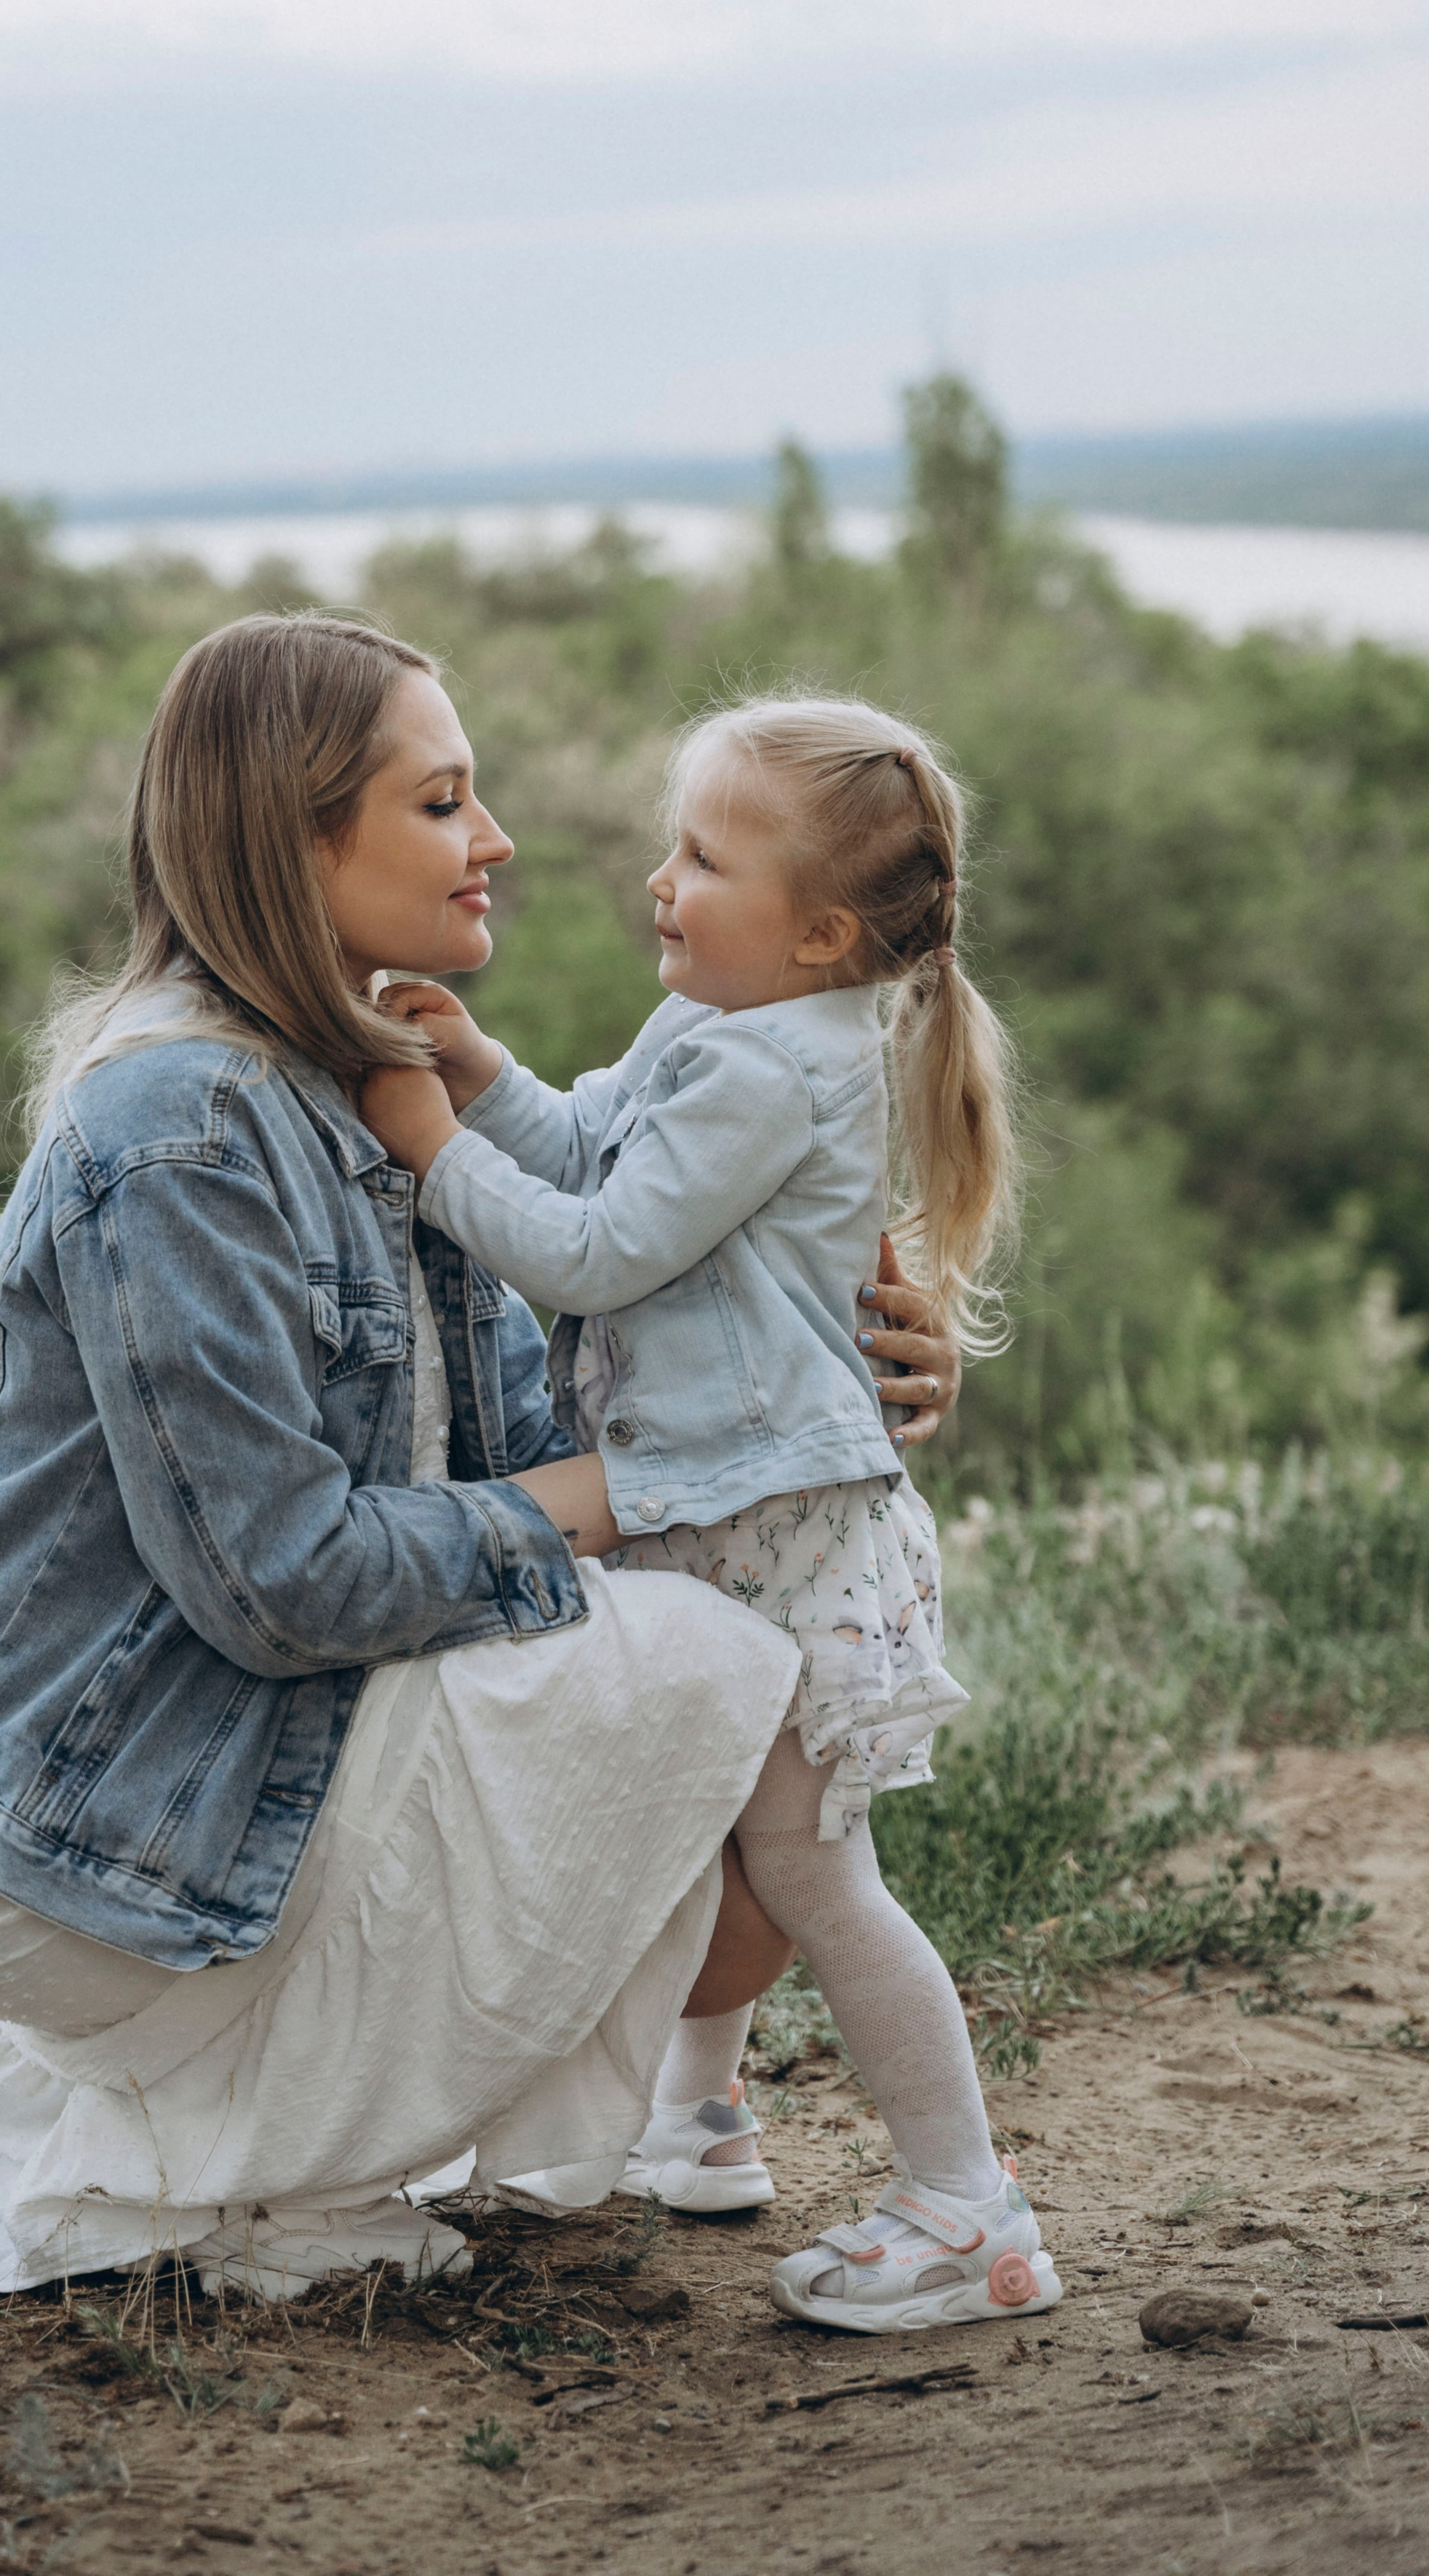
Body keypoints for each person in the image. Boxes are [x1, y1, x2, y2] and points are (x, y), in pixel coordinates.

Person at [0, 616, 963, 2304]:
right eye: (443, 802)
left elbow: (516, 1420)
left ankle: (330, 2104)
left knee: (729, 1757)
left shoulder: (357, 1072)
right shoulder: (184, 1130)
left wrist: (827, 1383)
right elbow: (286, 1583)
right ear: (297, 842)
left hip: (166, 1761)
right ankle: (286, 2129)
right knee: (699, 1662)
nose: (496, 840)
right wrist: (641, 1489)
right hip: (59, 1821)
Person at [360, 693, 1064, 2332]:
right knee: (710, 1817)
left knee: (816, 1874)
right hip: (717, 1499)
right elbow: (598, 1143)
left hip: (780, 1525)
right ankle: (700, 2118)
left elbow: (599, 1251)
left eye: (702, 859)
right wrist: (481, 1070)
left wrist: (426, 1139)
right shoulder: (717, 1027)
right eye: (672, 849)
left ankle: (966, 2208)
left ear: (819, 933)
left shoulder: (779, 1064)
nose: (659, 883)